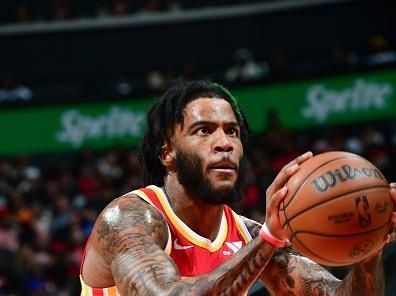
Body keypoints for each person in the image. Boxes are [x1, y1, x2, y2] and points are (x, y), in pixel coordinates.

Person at [80, 79, 396, 295]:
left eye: (232, 132)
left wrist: (370, 247)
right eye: (204, 131)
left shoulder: (248, 235)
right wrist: (270, 237)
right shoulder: (127, 219)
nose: (224, 144)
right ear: (167, 153)